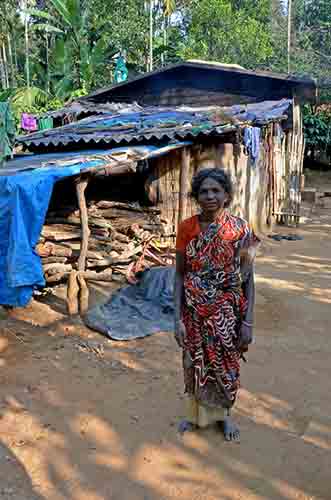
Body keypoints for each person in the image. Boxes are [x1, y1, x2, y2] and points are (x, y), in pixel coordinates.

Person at [174, 167, 259, 442]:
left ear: (226, 195)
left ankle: (225, 417)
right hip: (194, 311)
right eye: (203, 191)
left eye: (216, 190)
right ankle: (195, 416)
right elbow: (179, 274)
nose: (210, 196)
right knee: (194, 363)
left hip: (227, 313)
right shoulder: (186, 228)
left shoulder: (240, 229)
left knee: (225, 364)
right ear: (196, 196)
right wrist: (177, 319)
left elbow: (248, 280)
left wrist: (247, 321)